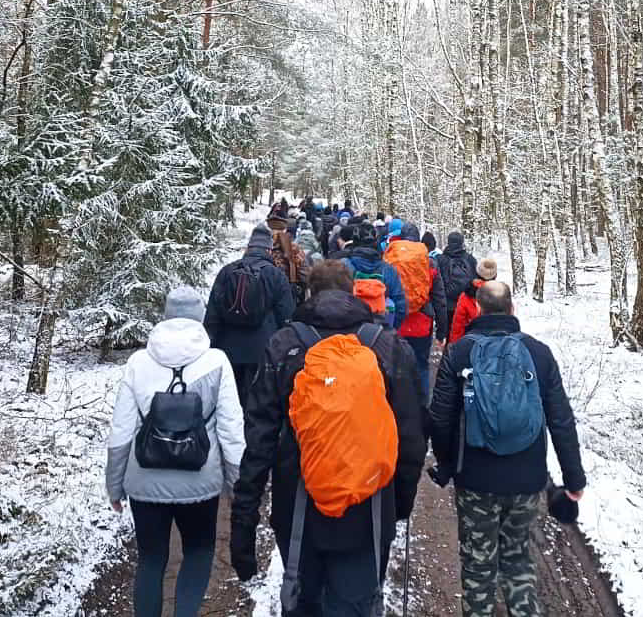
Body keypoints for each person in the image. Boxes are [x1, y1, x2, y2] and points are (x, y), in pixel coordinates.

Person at [231, 260, 426, 617]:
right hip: (368, 507)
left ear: (309, 293)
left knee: (303, 604)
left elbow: (259, 439)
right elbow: (412, 437)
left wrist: (244, 519)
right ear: (353, 292)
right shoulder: (388, 345)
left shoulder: (284, 345)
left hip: (298, 508)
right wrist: (400, 504)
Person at [429, 280, 587, 617]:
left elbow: (440, 417)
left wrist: (447, 465)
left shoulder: (459, 352)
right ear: (512, 309)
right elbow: (561, 419)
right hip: (526, 480)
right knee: (517, 558)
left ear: (480, 309)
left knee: (477, 564)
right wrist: (574, 480)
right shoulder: (539, 353)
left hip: (475, 479)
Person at [106, 287, 246, 617]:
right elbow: (231, 429)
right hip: (200, 482)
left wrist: (115, 485)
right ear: (201, 316)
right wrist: (237, 484)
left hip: (145, 482)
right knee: (198, 552)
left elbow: (121, 431)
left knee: (151, 559)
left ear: (166, 316)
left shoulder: (138, 362)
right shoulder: (217, 361)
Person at [205, 224, 296, 406]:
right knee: (257, 401)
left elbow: (212, 315)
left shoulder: (227, 272)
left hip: (227, 349)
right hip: (262, 350)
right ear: (269, 250)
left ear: (248, 248)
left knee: (230, 401)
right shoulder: (276, 275)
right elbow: (286, 316)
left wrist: (210, 347)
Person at [386, 222, 447, 401]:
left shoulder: (390, 258)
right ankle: (422, 406)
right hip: (422, 324)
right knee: (421, 365)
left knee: (396, 366)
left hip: (397, 323)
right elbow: (439, 299)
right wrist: (442, 331)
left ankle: (399, 405)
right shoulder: (430, 262)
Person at [342, 225, 405, 329]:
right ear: (376, 243)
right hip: (379, 332)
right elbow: (400, 306)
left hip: (349, 331)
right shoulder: (388, 270)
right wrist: (390, 330)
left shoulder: (343, 266)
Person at [437, 231, 479, 341]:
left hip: (446, 305)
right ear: (462, 243)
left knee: (450, 338)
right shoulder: (470, 259)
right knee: (466, 337)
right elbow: (476, 281)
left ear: (448, 242)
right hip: (465, 305)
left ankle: (449, 355)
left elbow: (436, 284)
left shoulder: (440, 259)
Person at [448, 258, 497, 344]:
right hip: (496, 344)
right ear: (495, 275)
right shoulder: (501, 294)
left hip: (472, 342)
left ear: (477, 273)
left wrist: (454, 344)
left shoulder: (466, 295)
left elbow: (458, 324)